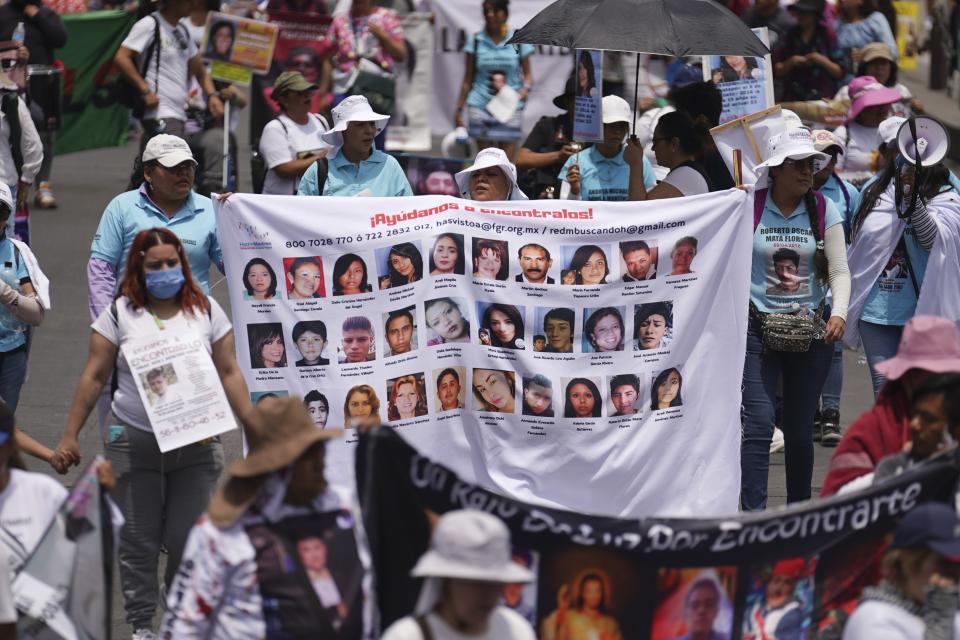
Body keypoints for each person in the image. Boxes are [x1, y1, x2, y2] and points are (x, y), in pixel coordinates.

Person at [56, 228, 253, 640]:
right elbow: (94, 376)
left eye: (172, 263)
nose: (165, 271)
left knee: (189, 541)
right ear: (138, 270)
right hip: (134, 445)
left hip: (197, 447)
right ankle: (143, 623)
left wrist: (254, 427)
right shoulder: (119, 315)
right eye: (155, 265)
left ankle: (180, 610)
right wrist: (70, 434)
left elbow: (230, 371)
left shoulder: (207, 311)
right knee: (139, 543)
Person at [161, 397, 364, 639]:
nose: (320, 461)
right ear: (279, 468)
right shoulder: (222, 534)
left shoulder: (345, 511)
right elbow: (184, 626)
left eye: (319, 448)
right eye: (307, 454)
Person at [741, 127, 851, 512]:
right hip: (756, 329)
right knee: (757, 423)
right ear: (775, 170)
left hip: (811, 333)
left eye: (811, 164)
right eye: (798, 165)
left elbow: (839, 271)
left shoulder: (824, 208)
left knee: (801, 432)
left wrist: (838, 314)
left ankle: (797, 515)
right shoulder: (748, 206)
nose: (807, 172)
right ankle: (752, 518)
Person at [843, 120, 960, 395]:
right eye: (896, 148)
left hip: (924, 310)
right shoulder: (874, 191)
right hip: (877, 313)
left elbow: (932, 240)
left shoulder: (948, 195)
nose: (904, 156)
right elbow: (859, 245)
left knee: (920, 394)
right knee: (885, 392)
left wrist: (913, 198)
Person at [88, 135, 222, 322]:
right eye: (173, 168)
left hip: (194, 324)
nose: (183, 173)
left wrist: (237, 218)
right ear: (148, 173)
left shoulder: (211, 210)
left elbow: (234, 267)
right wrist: (106, 323)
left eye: (188, 167)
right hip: (134, 323)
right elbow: (101, 270)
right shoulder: (121, 207)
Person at [822, 316, 960, 495]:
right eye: (925, 375)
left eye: (945, 376)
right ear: (907, 378)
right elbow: (836, 503)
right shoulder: (869, 431)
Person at [115, 0, 224, 187]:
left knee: (148, 177)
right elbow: (121, 57)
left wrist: (212, 96)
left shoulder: (182, 30)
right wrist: (145, 90)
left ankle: (124, 211)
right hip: (160, 113)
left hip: (178, 114)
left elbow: (199, 70)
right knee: (175, 173)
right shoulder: (150, 24)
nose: (195, 4)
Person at [380, 510, 536, 640]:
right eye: (475, 583)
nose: (487, 595)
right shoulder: (407, 636)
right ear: (446, 582)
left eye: (496, 583)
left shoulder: (515, 631)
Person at [842, 503, 959, 639]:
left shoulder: (948, 611)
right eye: (944, 564)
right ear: (908, 564)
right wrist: (940, 627)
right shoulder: (875, 619)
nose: (955, 575)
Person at [0, 0, 66, 209]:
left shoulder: (45, 13)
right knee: (9, 133)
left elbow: (60, 38)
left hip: (40, 83)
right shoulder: (3, 13)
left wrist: (35, 14)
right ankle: (10, 185)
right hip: (8, 85)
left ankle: (43, 184)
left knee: (44, 134)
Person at [453, 0, 534, 158]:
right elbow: (467, 79)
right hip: (480, 106)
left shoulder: (518, 39)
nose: (490, 15)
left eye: (495, 11)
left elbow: (529, 75)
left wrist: (525, 89)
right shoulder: (476, 40)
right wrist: (458, 109)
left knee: (507, 165)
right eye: (486, 11)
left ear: (505, 13)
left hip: (509, 107)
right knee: (485, 161)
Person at [327, 0, 406, 147]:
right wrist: (324, 93)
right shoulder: (340, 20)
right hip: (344, 87)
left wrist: (382, 35)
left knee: (373, 138)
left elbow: (401, 54)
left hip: (374, 88)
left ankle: (374, 168)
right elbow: (328, 56)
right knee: (342, 136)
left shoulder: (387, 17)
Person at [297, 95, 412, 197]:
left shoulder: (390, 165)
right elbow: (301, 215)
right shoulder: (319, 171)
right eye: (360, 124)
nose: (369, 130)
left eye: (372, 123)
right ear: (343, 131)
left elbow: (408, 211)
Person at [0, 183, 46, 410]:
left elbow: (36, 314)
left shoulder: (18, 253)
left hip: (11, 353)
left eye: (0, 212)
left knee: (3, 429)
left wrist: (6, 293)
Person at [868, 374, 960, 486]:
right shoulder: (893, 468)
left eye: (928, 419)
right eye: (914, 414)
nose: (914, 424)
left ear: (956, 430)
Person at [559, 95, 656, 201]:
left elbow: (651, 203)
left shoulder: (639, 161)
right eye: (610, 125)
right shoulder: (576, 162)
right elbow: (565, 210)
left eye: (622, 125)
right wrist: (574, 191)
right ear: (596, 126)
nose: (617, 131)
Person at [258, 71, 329, 196]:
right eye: (300, 93)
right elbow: (283, 169)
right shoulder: (275, 128)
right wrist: (320, 159)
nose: (307, 97)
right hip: (283, 203)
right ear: (283, 99)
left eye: (308, 92)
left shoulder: (320, 121)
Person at [515, 76, 580, 199]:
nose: (584, 106)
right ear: (567, 101)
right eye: (578, 100)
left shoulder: (602, 130)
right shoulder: (549, 125)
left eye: (588, 100)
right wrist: (558, 156)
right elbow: (522, 159)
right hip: (551, 191)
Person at [626, 110, 714, 200]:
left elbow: (640, 209)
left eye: (656, 141)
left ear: (674, 144)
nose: (653, 148)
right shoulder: (688, 172)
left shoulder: (686, 175)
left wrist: (636, 164)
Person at [773, 0, 846, 102]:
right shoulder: (789, 35)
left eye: (806, 12)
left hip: (823, 98)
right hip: (793, 97)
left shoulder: (828, 35)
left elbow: (839, 72)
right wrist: (791, 62)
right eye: (799, 11)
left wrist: (821, 60)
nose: (801, 15)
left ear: (815, 15)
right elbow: (777, 70)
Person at [833, 76, 902, 183]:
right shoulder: (843, 134)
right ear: (860, 109)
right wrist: (867, 178)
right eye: (875, 103)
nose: (882, 107)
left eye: (885, 101)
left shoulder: (895, 129)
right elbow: (833, 175)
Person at [833, 42, 921, 118]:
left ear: (891, 67)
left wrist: (917, 110)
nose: (879, 67)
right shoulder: (847, 93)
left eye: (883, 63)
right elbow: (833, 119)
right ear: (864, 68)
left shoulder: (901, 91)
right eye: (874, 63)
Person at [742, 560, 806, 640]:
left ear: (792, 588)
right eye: (777, 580)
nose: (780, 585)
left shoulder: (793, 613)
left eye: (787, 582)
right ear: (769, 584)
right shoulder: (753, 608)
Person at [550, 573, 622, 640]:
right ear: (582, 593)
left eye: (598, 591)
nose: (594, 596)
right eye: (589, 591)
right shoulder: (570, 618)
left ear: (602, 593)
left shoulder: (611, 624)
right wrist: (562, 609)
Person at [835, 0, 898, 76]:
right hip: (842, 81)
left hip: (871, 80)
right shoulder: (837, 23)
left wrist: (866, 54)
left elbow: (892, 52)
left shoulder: (876, 20)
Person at [456, 147, 529, 202]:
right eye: (475, 175)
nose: (480, 178)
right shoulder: (451, 216)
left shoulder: (526, 221)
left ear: (510, 186)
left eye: (491, 174)